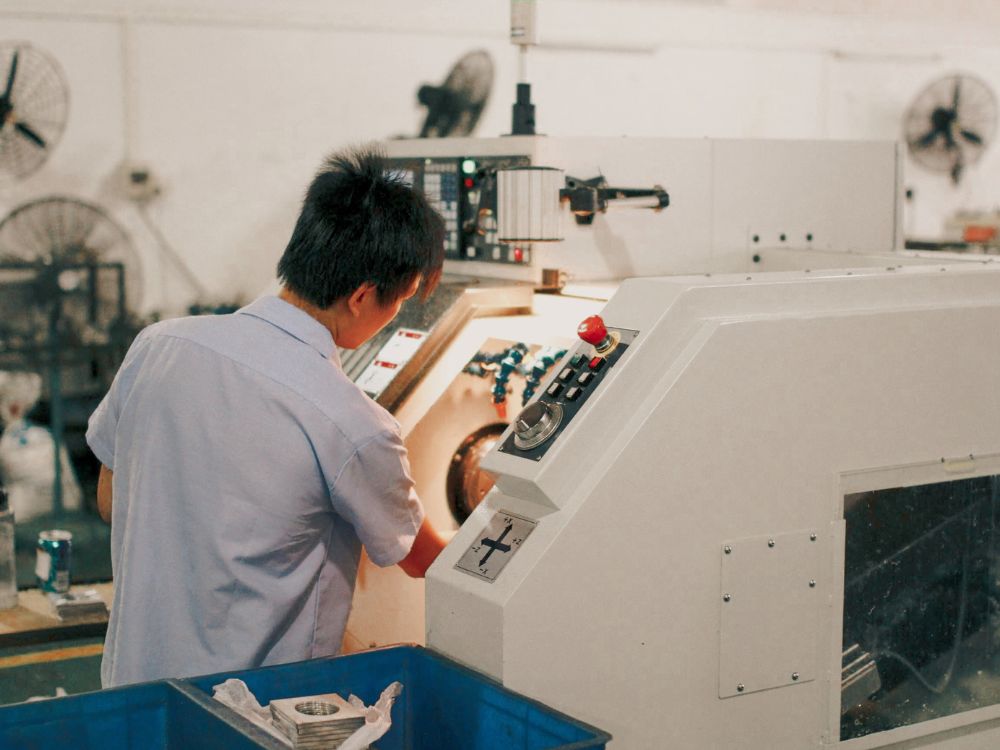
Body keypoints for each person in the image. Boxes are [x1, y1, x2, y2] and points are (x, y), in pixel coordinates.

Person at [87, 145, 447, 688]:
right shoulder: (351, 423)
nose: (397, 314)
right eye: (402, 300)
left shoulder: (157, 346)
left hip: (135, 695)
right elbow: (427, 562)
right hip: (252, 715)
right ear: (362, 296)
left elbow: (111, 501)